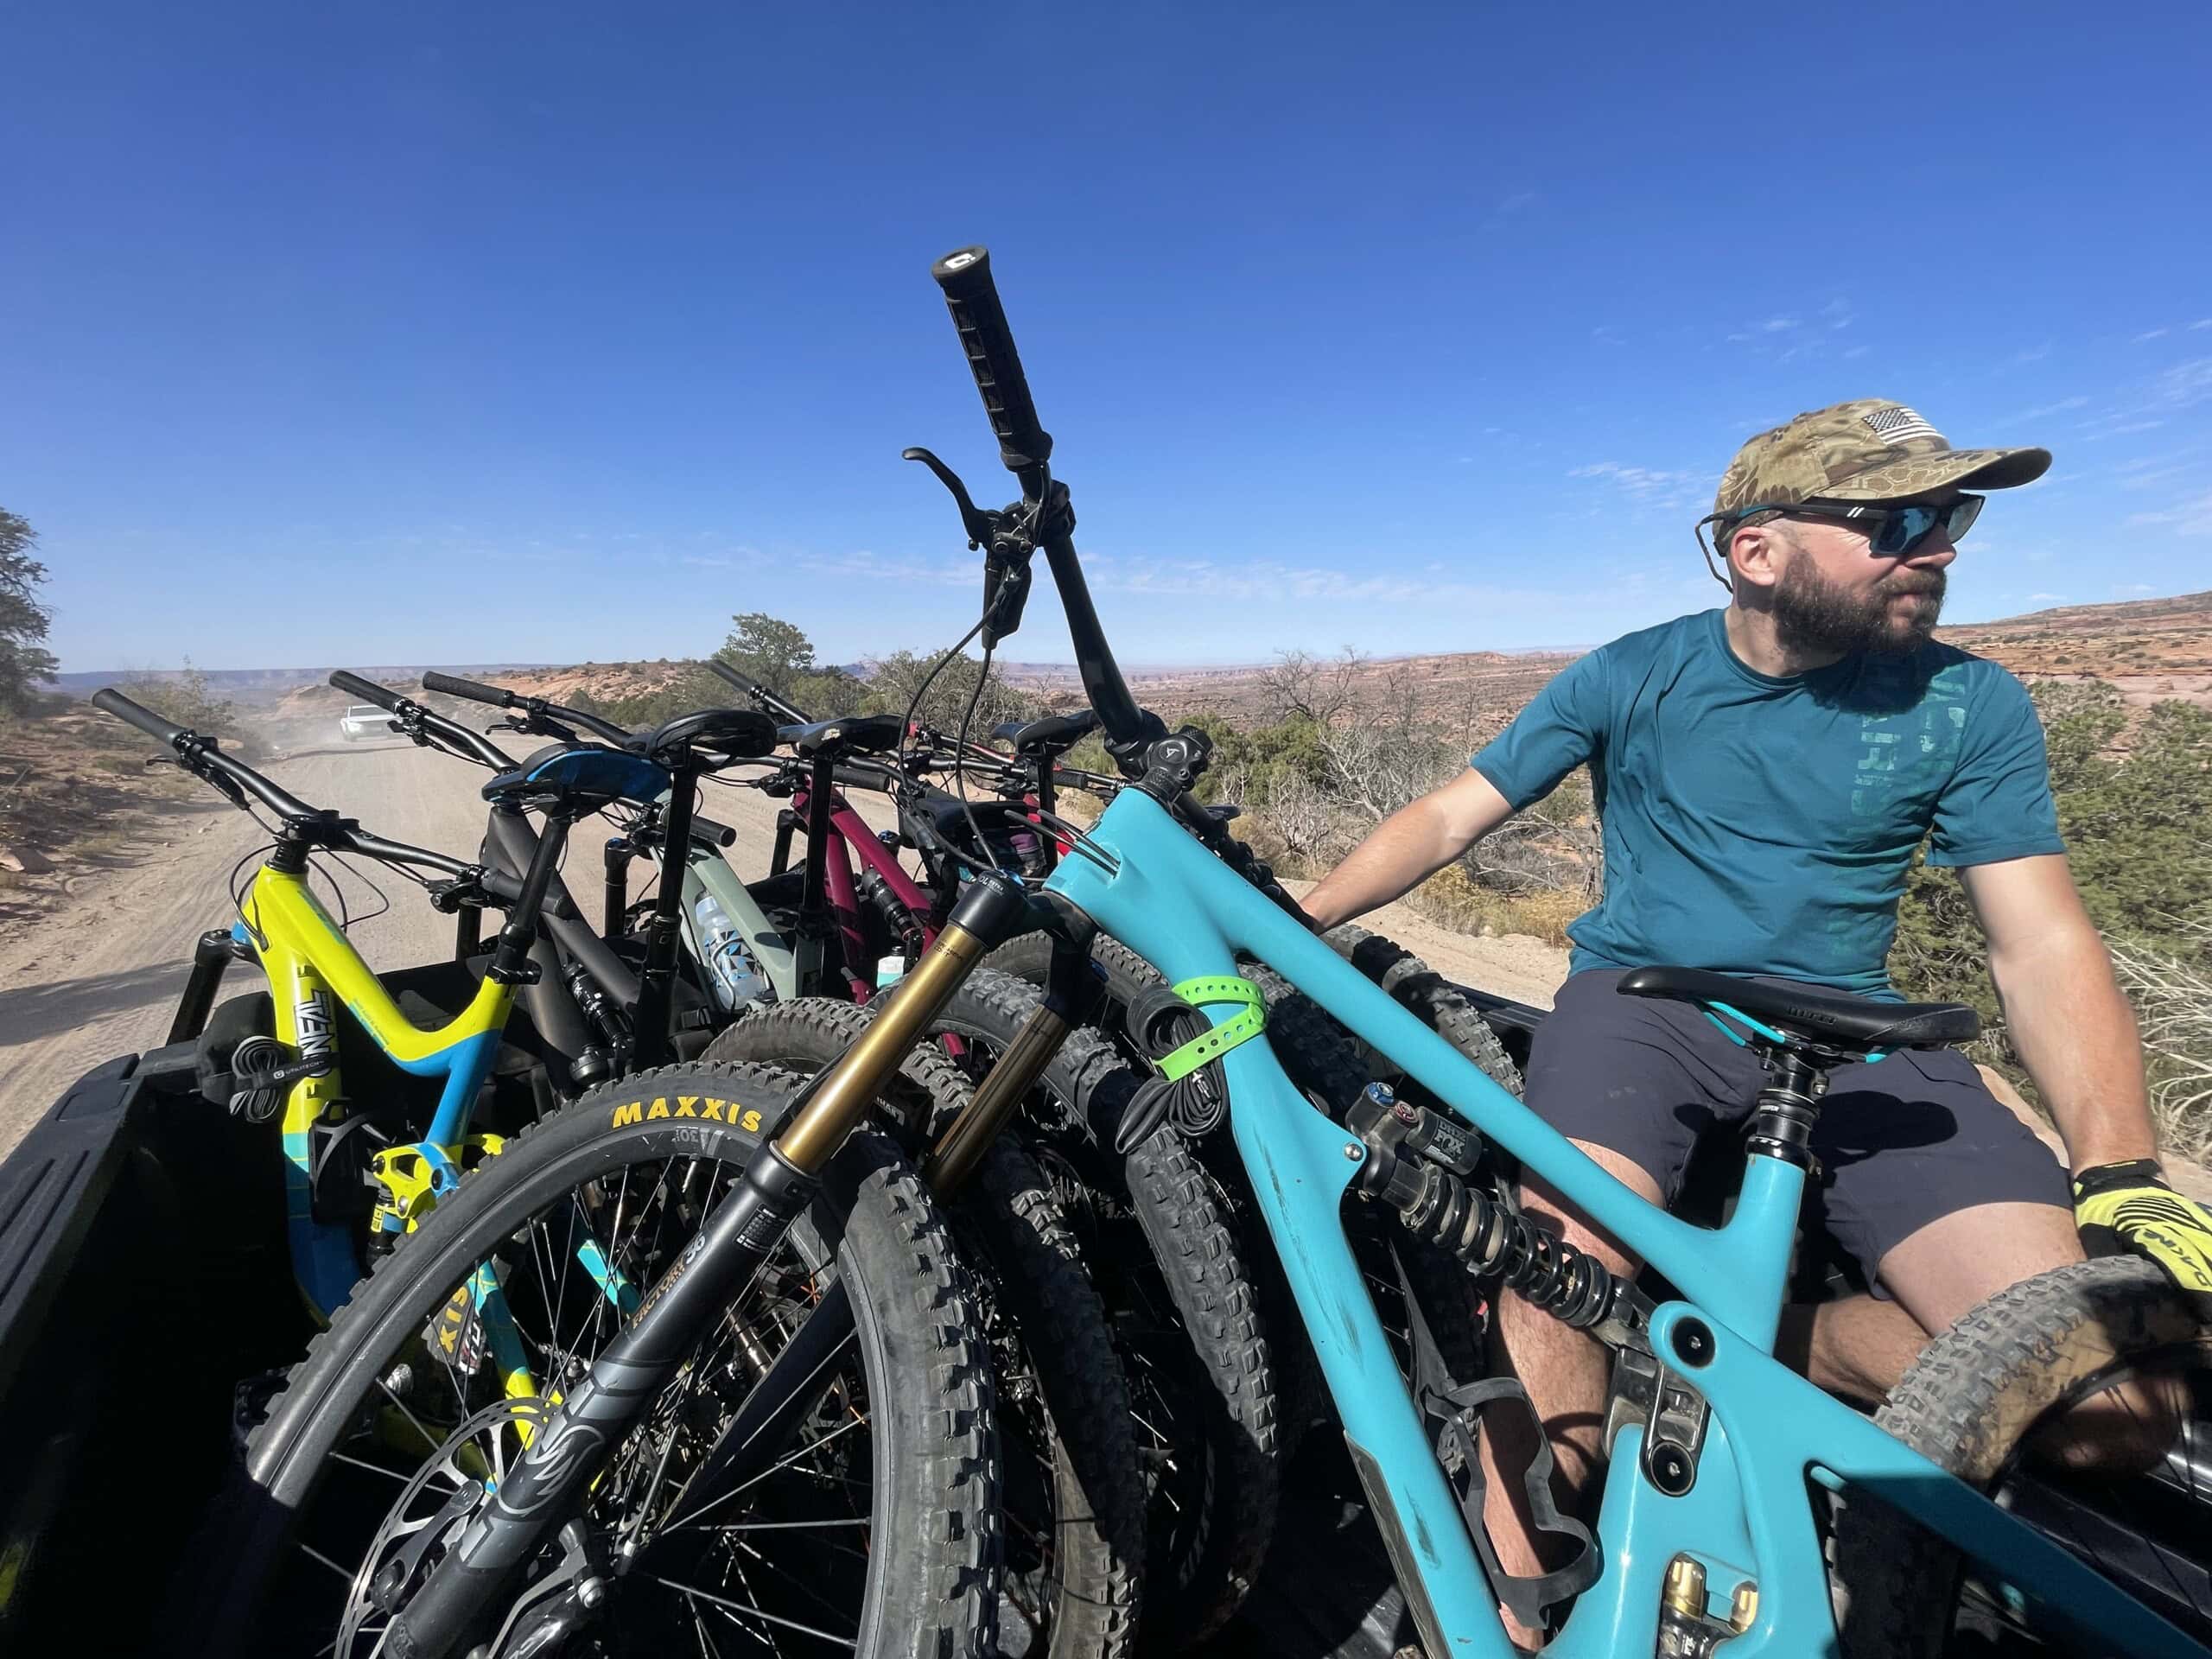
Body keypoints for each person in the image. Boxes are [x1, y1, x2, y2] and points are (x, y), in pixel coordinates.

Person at [1300, 398, 2212, 1646]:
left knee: (2119, 1404)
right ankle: (1523, 1596)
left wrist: (2120, 1170)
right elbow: (1456, 816)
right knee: (1556, 1272)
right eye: (1897, 520)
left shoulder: (1968, 704)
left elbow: (2039, 941)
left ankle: (1762, 1346)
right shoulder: (1637, 671)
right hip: (1644, 1007)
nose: (1940, 546)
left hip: (1868, 1038)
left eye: (1953, 517)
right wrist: (1300, 922)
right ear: (1756, 550)